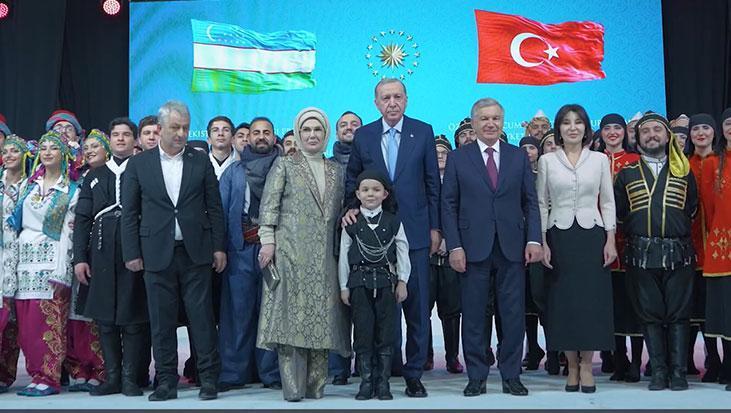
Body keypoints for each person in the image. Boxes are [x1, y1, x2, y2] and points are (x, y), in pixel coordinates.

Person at [121, 100, 226, 402]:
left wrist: (218, 247)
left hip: (196, 252)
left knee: (202, 319)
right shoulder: (139, 164)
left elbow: (214, 208)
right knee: (161, 321)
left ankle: (209, 379)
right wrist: (131, 252)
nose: (181, 133)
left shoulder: (200, 161)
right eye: (175, 127)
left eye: (185, 128)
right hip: (155, 253)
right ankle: (166, 381)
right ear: (159, 128)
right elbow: (130, 213)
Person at [345, 78, 440, 398]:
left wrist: (436, 228)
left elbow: (433, 184)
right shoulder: (364, 135)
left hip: (415, 233)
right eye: (386, 98)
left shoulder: (423, 132)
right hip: (375, 239)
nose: (392, 103)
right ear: (376, 103)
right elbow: (353, 179)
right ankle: (381, 373)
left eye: (397, 97)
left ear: (406, 99)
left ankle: (414, 373)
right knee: (380, 312)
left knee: (417, 308)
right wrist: (350, 208)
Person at [442, 97, 542, 397]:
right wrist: (454, 246)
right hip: (472, 248)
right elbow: (448, 205)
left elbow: (530, 202)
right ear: (473, 123)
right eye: (484, 118)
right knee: (473, 315)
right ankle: (477, 375)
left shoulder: (517, 156)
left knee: (512, 314)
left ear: (502, 121)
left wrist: (534, 239)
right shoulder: (458, 158)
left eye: (495, 118)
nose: (490, 123)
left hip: (512, 247)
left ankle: (511, 375)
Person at [257, 107, 350, 402]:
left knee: (321, 320)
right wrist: (267, 242)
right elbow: (269, 207)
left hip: (325, 259)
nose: (312, 135)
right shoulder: (285, 164)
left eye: (317, 129)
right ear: (298, 134)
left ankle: (315, 386)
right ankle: (294, 388)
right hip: (291, 254)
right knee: (292, 321)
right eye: (306, 130)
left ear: (326, 134)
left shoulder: (336, 170)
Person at [537, 104, 617, 393]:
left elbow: (607, 201)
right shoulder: (547, 161)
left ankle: (587, 365)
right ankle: (571, 365)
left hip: (591, 235)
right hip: (559, 235)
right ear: (558, 129)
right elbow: (541, 203)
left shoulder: (599, 160)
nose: (572, 127)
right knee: (564, 303)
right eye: (566, 123)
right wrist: (543, 241)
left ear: (586, 128)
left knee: (590, 302)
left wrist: (610, 239)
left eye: (578, 122)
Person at [614, 112, 697, 391]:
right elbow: (620, 213)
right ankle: (659, 372)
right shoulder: (626, 174)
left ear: (668, 136)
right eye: (646, 131)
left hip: (679, 252)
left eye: (657, 130)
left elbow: (692, 208)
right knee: (649, 314)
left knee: (678, 314)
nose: (652, 135)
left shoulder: (684, 171)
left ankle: (679, 372)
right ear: (638, 139)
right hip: (640, 253)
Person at [73, 118, 149, 397]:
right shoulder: (94, 175)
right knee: (105, 318)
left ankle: (131, 378)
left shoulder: (145, 170)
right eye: (115, 134)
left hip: (135, 247)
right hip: (101, 249)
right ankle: (112, 377)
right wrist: (80, 258)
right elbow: (82, 219)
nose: (120, 139)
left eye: (126, 134)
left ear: (135, 140)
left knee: (133, 316)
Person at [9, 131, 80, 396]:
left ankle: (49, 377)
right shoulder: (29, 186)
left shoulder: (70, 190)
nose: (48, 152)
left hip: (51, 264)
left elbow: (68, 234)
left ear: (64, 154)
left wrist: (62, 271)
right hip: (24, 264)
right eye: (44, 148)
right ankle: (35, 375)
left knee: (47, 324)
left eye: (54, 148)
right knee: (26, 328)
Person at [217, 116, 281, 392]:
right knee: (237, 313)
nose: (261, 137)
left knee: (271, 314)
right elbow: (220, 212)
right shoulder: (234, 171)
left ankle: (272, 373)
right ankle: (233, 373)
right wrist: (220, 248)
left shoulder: (285, 168)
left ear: (274, 137)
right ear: (247, 138)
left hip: (275, 250)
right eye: (256, 132)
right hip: (240, 249)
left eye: (266, 132)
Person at [338, 169, 410, 400]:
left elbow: (403, 251)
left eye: (376, 189)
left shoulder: (393, 221)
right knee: (362, 332)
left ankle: (383, 383)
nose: (371, 194)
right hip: (359, 283)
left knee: (386, 333)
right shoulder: (351, 223)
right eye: (365, 190)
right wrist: (344, 286)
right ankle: (366, 382)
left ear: (385, 194)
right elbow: (343, 256)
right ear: (358, 194)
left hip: (386, 283)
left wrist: (402, 281)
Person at [597, 113, 644, 382]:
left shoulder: (636, 160)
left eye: (617, 128)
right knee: (610, 304)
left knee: (633, 302)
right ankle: (618, 359)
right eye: (607, 128)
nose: (613, 132)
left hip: (631, 241)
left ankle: (636, 361)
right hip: (601, 243)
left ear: (625, 132)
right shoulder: (593, 160)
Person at [66, 130, 110, 393]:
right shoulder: (74, 179)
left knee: (97, 311)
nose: (90, 150)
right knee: (77, 312)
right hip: (76, 251)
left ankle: (101, 368)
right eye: (87, 147)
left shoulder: (116, 175)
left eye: (96, 146)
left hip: (103, 251)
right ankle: (78, 367)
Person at [686, 113, 722, 382]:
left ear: (714, 132)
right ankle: (711, 360)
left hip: (719, 249)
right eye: (695, 128)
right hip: (690, 249)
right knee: (696, 309)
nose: (700, 133)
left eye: (705, 128)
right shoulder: (683, 165)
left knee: (718, 307)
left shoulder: (722, 162)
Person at [424, 135, 463, 375]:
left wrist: (449, 241)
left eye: (444, 152)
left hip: (451, 254)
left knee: (451, 309)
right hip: (427, 255)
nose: (440, 156)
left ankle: (452, 357)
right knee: (423, 308)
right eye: (435, 152)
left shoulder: (458, 181)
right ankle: (426, 355)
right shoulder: (423, 183)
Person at [699, 107, 731, 389]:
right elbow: (709, 210)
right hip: (722, 246)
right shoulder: (712, 164)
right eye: (729, 123)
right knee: (724, 309)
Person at [0, 135, 31, 394]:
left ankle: (5, 374)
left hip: (21, 255)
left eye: (14, 151)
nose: (9, 155)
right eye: (6, 151)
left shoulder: (31, 186)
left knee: (12, 321)